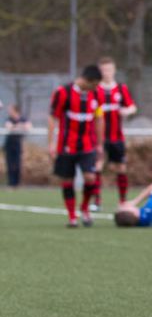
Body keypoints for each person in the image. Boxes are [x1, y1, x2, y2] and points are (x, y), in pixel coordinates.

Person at [48, 65, 103, 227]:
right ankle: (72, 217)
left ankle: (84, 208)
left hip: (87, 144)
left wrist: (99, 144)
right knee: (67, 180)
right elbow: (52, 118)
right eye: (94, 84)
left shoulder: (96, 94)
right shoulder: (63, 92)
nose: (96, 88)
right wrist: (50, 143)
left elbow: (99, 118)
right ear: (87, 80)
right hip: (67, 145)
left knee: (90, 177)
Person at [92, 57, 137, 210]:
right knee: (97, 166)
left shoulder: (120, 89)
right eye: (104, 70)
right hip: (99, 137)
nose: (107, 73)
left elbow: (132, 107)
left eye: (109, 70)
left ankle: (123, 201)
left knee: (121, 168)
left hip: (117, 137)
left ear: (114, 70)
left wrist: (126, 111)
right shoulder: (95, 89)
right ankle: (97, 201)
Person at [3, 104, 32, 187]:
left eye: (11, 110)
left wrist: (17, 126)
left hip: (17, 144)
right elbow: (9, 127)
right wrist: (19, 126)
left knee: (17, 163)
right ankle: (11, 183)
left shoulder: (23, 119)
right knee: (9, 163)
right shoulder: (9, 119)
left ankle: (17, 183)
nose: (9, 112)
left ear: (15, 111)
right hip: (9, 144)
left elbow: (28, 126)